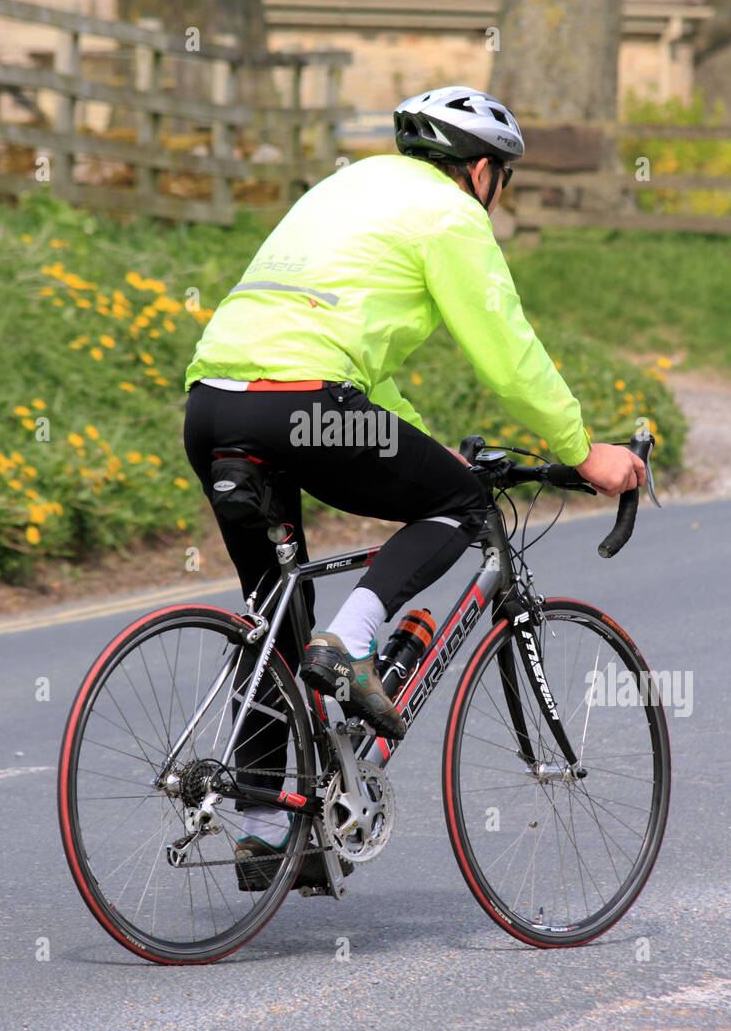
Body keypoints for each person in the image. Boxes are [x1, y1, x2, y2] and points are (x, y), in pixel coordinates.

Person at [183, 85, 644, 882]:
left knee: (274, 615)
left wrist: (430, 446)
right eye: (504, 178)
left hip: (215, 409)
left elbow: (367, 376)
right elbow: (507, 349)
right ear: (480, 170)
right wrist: (580, 447)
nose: (501, 195)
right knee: (460, 503)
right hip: (307, 408)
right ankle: (356, 639)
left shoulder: (349, 187)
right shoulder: (451, 215)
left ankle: (263, 831)